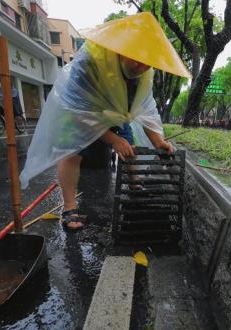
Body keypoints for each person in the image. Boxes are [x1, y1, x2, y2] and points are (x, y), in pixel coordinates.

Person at [19, 12, 191, 230]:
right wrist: (111, 140)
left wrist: (158, 141)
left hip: (116, 115)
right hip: (76, 113)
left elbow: (146, 109)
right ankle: (70, 207)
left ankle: (136, 189)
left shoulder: (144, 76)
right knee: (71, 153)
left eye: (147, 62)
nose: (140, 66)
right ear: (121, 48)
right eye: (135, 57)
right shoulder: (89, 63)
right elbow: (76, 111)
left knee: (130, 148)